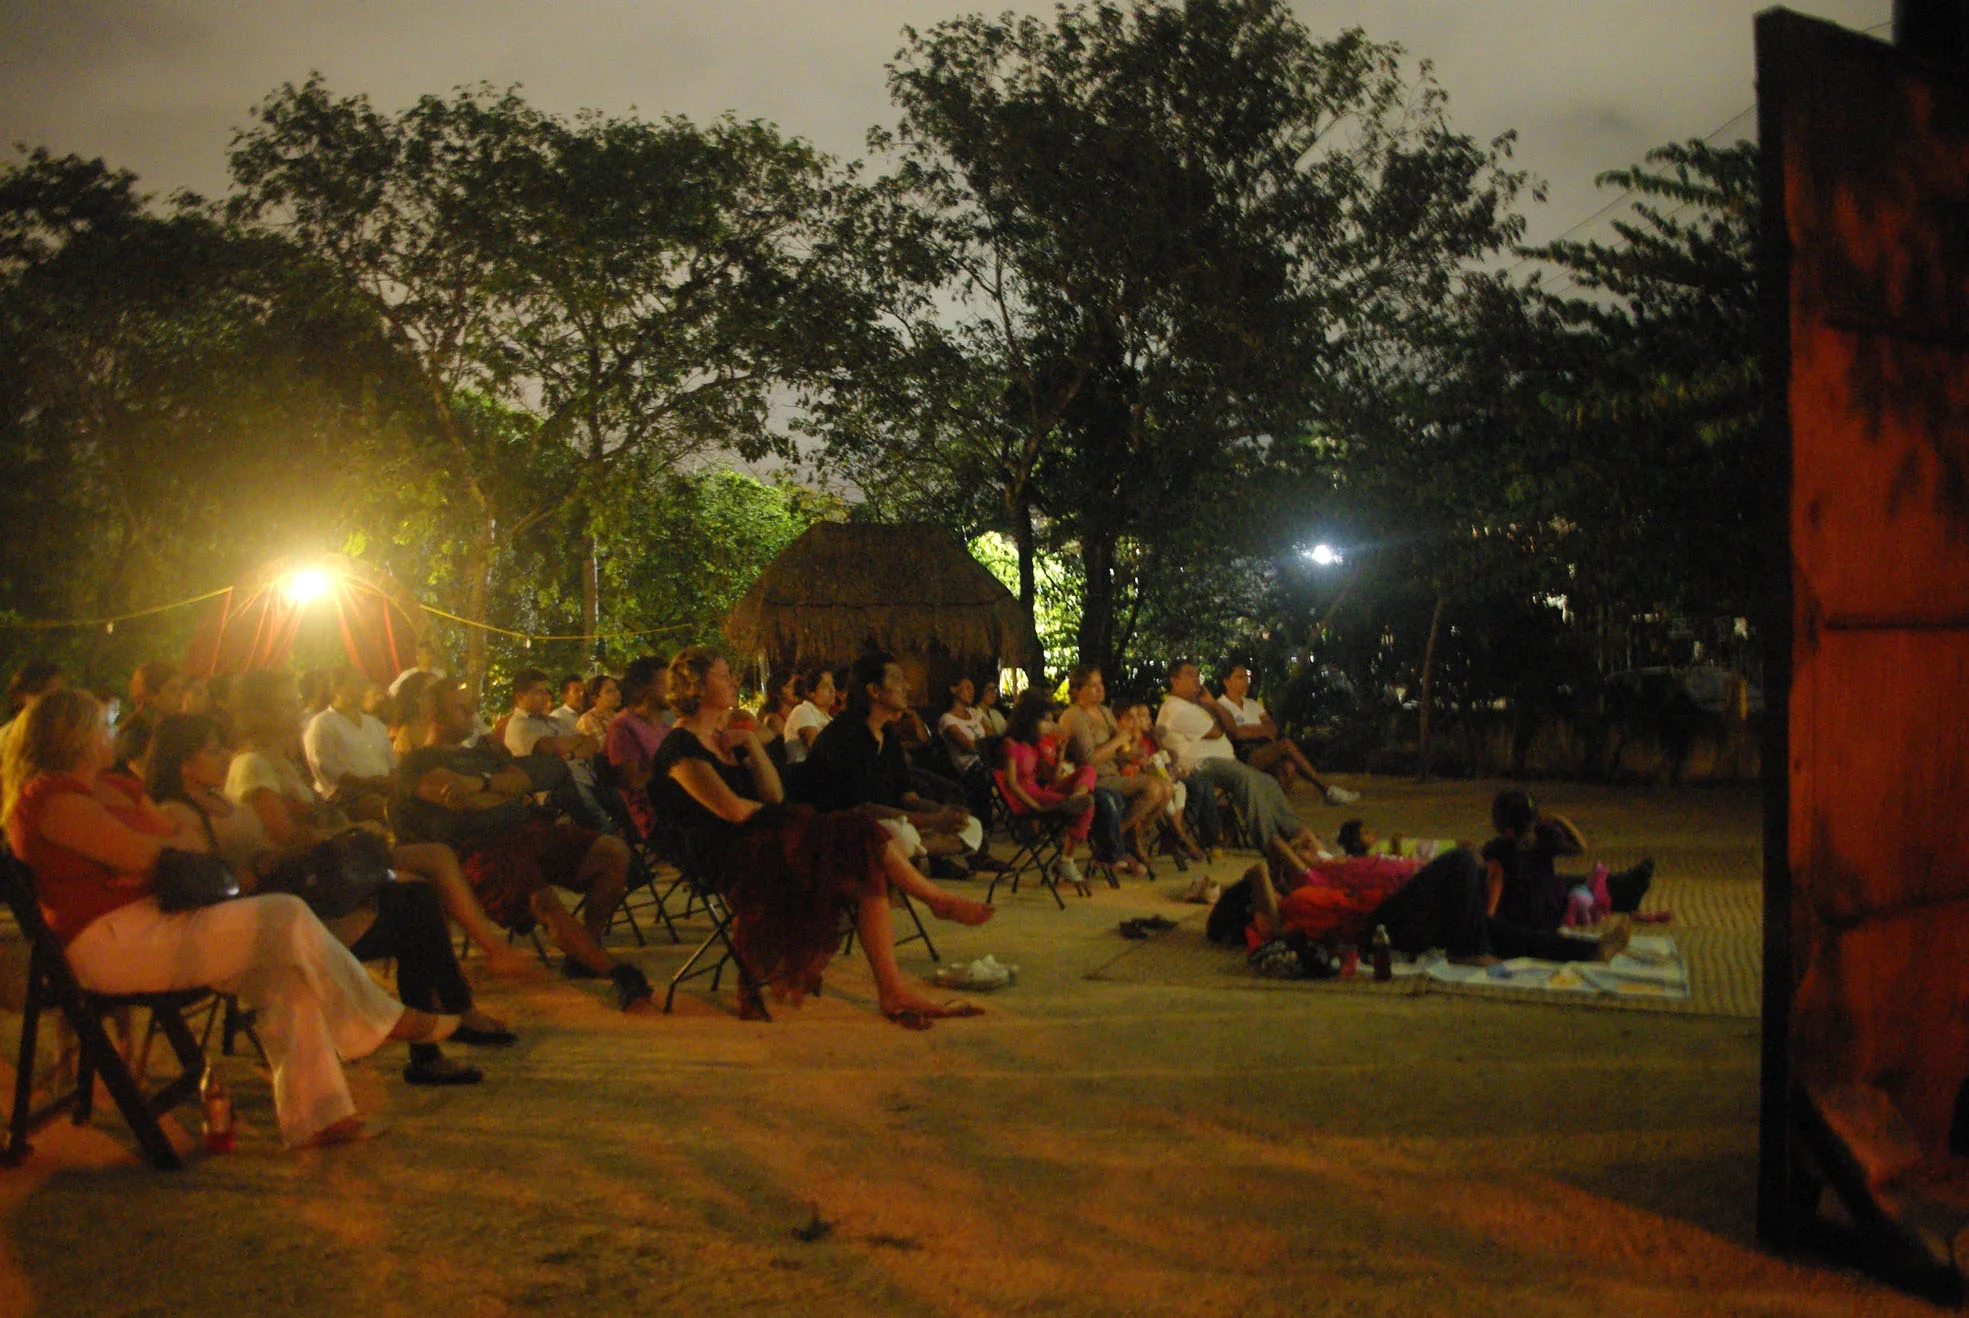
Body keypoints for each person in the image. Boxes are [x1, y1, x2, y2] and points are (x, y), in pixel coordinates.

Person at [3, 688, 456, 1149]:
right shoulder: (53, 801)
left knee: (284, 972)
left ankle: (320, 1117)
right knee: (285, 914)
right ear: (76, 737)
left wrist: (152, 855)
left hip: (149, 919)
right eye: (103, 725)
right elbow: (149, 852)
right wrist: (155, 854)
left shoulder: (111, 787)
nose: (112, 733)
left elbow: (167, 846)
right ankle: (377, 1021)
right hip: (108, 942)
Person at [146, 713, 513, 1086]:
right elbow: (205, 892)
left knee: (415, 897)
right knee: (413, 909)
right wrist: (263, 864)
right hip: (269, 922)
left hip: (295, 895)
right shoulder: (179, 816)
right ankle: (439, 1029)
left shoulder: (216, 799)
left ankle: (439, 1030)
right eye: (213, 750)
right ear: (185, 764)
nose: (226, 755)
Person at [649, 646, 995, 1029]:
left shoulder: (728, 738)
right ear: (696, 686)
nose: (733, 680)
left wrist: (749, 743)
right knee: (855, 837)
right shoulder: (680, 747)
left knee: (859, 847)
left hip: (766, 833)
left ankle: (897, 980)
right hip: (726, 853)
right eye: (722, 674)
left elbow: (773, 796)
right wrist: (791, 818)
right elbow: (731, 810)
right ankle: (931, 903)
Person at [228, 669, 531, 977]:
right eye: (286, 704)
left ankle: (453, 989)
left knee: (426, 878)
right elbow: (290, 839)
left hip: (329, 854)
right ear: (260, 713)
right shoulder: (253, 764)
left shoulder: (281, 762)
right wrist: (351, 831)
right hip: (304, 876)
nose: (297, 709)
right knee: (430, 866)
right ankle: (483, 959)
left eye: (295, 701)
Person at [396, 676, 651, 1010]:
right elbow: (470, 801)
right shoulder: (418, 762)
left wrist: (480, 782)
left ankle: (587, 947)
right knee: (545, 902)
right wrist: (497, 788)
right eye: (460, 708)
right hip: (479, 847)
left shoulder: (482, 754)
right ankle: (615, 972)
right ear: (434, 717)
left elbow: (521, 780)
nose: (472, 712)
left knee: (613, 852)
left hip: (527, 829)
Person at [1236, 846, 1632, 967]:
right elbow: (1265, 866)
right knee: (1459, 859)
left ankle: (1591, 951)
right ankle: (1468, 950)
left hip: (1397, 913)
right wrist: (1262, 882)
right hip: (1380, 927)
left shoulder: (1319, 878)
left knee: (1504, 933)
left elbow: (1282, 846)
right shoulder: (1293, 903)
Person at [800, 651, 984, 864]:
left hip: (881, 826)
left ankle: (897, 855)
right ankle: (895, 857)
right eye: (897, 679)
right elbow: (861, 808)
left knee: (971, 826)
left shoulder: (888, 737)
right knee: (902, 835)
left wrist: (944, 813)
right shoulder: (844, 735)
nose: (907, 686)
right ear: (874, 690)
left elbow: (908, 797)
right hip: (836, 829)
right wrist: (932, 821)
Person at [1156, 659, 1324, 863]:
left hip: (1222, 761)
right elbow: (1219, 731)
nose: (1196, 679)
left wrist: (1214, 704)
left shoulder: (1197, 704)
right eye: (1190, 674)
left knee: (1268, 782)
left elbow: (1230, 725)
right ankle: (1270, 842)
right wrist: (1217, 716)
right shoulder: (1176, 708)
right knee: (1245, 779)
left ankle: (1296, 832)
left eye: (1197, 674)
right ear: (1175, 681)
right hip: (1197, 764)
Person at [1482, 790, 1655, 931]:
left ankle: (1623, 888)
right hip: (1540, 908)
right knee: (1549, 883)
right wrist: (1559, 820)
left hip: (1529, 904)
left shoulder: (1504, 846)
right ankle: (1623, 889)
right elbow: (1494, 881)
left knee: (1548, 882)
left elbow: (1494, 880)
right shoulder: (1537, 840)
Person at [1059, 666, 1172, 876]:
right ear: (1077, 689)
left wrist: (1133, 756)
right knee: (1154, 789)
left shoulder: (1104, 711)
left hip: (1114, 773)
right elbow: (1089, 760)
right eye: (1092, 685)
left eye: (1100, 684)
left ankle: (1124, 836)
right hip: (1094, 779)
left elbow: (1117, 752)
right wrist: (1119, 740)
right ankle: (1118, 840)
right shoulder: (1075, 715)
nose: (1099, 689)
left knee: (1167, 789)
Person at [999, 689, 1098, 894]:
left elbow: (1052, 779)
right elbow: (1011, 783)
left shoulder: (1032, 745)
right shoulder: (1011, 744)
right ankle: (1066, 860)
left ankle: (1076, 798)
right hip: (1029, 796)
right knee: (1088, 806)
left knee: (1088, 771)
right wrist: (1033, 805)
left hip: (1041, 789)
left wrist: (1060, 754)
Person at [1216, 664, 1357, 804]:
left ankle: (1277, 806)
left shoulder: (1252, 704)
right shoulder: (1221, 706)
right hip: (1243, 752)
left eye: (1246, 677)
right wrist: (1259, 730)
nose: (1246, 681)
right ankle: (1326, 788)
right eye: (1240, 677)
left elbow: (1272, 728)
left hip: (1265, 748)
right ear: (1227, 681)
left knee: (1288, 768)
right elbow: (1236, 733)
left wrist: (1250, 730)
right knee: (1286, 744)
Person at [503, 667, 611, 832]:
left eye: (546, 691)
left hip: (586, 776)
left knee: (617, 794)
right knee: (597, 817)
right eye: (539, 692)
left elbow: (592, 743)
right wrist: (576, 743)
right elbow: (550, 747)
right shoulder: (520, 725)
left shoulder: (553, 721)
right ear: (520, 697)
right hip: (553, 790)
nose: (545, 696)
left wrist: (570, 753)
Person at [301, 664, 398, 819]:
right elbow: (327, 771)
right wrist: (372, 783)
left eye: (362, 684)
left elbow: (392, 763)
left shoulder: (374, 724)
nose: (361, 690)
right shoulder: (323, 724)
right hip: (348, 798)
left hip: (384, 789)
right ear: (337, 688)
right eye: (355, 683)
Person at [605, 655, 670, 842]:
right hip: (657, 818)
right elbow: (630, 780)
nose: (672, 689)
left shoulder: (665, 726)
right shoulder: (623, 726)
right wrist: (675, 771)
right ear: (642, 690)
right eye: (665, 683)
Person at [936, 676, 997, 826]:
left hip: (986, 759)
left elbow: (992, 736)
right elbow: (968, 745)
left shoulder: (975, 713)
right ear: (953, 689)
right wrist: (984, 746)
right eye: (968, 687)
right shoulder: (948, 719)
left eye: (973, 689)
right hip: (970, 767)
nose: (972, 692)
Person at [781, 665, 836, 766]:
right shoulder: (803, 711)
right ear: (811, 693)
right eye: (825, 686)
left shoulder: (829, 718)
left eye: (832, 684)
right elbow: (816, 745)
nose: (832, 690)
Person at [576, 673, 621, 743]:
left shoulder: (618, 716)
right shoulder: (589, 719)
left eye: (616, 689)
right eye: (609, 691)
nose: (616, 693)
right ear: (595, 698)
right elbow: (605, 747)